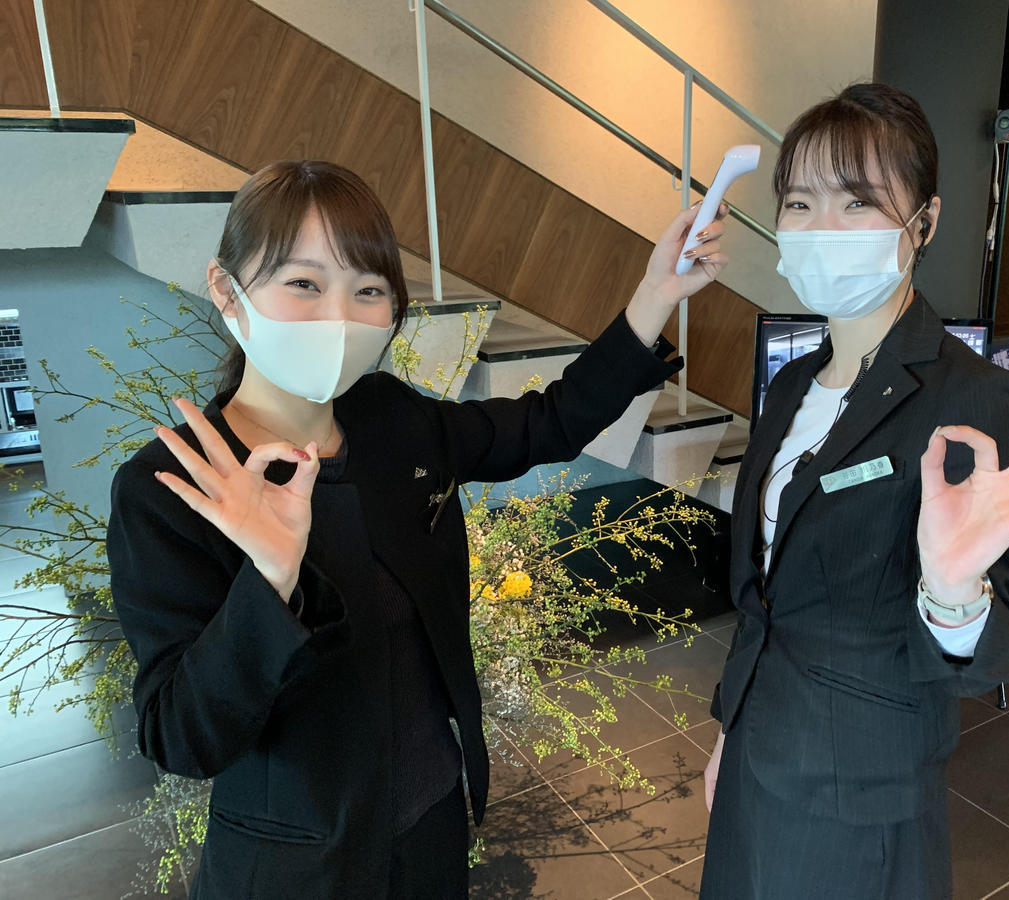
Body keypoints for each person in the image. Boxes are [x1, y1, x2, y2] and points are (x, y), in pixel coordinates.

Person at [105, 160, 728, 899]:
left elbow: (548, 422)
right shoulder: (172, 489)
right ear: (225, 289)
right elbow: (182, 738)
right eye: (303, 283)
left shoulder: (390, 417)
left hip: (431, 823)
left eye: (368, 291)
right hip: (300, 866)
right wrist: (270, 579)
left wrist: (656, 294)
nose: (338, 315)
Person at [698, 83, 1009, 899]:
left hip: (857, 796)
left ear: (924, 222)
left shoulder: (969, 399)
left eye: (857, 202)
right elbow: (767, 598)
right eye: (800, 203)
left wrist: (954, 595)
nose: (822, 227)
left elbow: (976, 657)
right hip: (757, 749)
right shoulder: (792, 388)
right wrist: (729, 734)